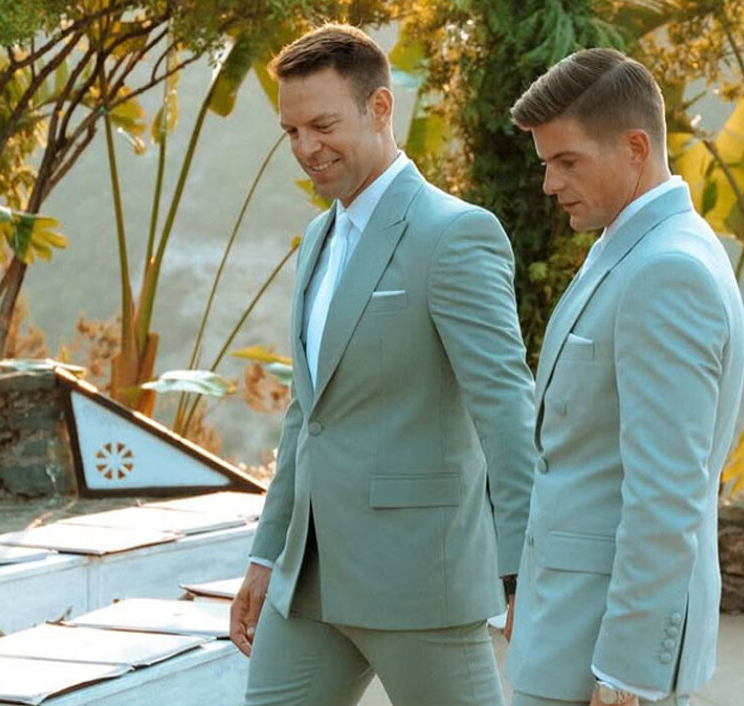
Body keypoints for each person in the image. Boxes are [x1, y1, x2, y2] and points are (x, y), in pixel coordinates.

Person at [228, 23, 537, 706]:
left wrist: (525, 570)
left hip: (417, 579)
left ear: (380, 108)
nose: (306, 148)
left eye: (323, 126)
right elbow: (307, 415)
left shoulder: (455, 235)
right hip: (309, 581)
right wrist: (266, 554)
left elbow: (506, 409)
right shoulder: (318, 237)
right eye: (292, 131)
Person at [504, 48, 744, 706]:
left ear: (635, 147)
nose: (549, 183)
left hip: (603, 656)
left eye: (567, 161)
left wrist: (626, 674)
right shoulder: (629, 247)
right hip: (564, 630)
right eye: (546, 163)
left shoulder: (669, 271)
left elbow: (665, 495)